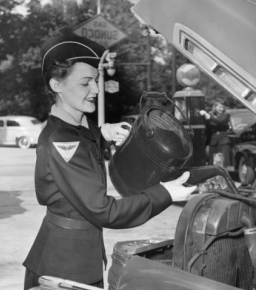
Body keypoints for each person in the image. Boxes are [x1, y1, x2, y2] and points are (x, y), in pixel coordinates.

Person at [23, 34, 197, 290]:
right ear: (57, 85)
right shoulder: (63, 141)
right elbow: (105, 211)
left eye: (95, 81)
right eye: (85, 83)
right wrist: (165, 193)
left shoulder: (75, 126)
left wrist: (104, 132)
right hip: (64, 266)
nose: (95, 89)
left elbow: (86, 136)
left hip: (75, 256)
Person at [200, 100, 231, 167]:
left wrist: (208, 116)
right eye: (220, 107)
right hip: (213, 142)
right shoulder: (211, 116)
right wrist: (206, 143)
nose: (222, 109)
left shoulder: (225, 116)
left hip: (223, 142)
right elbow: (208, 130)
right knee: (212, 162)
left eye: (223, 107)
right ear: (215, 107)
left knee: (223, 163)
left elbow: (220, 121)